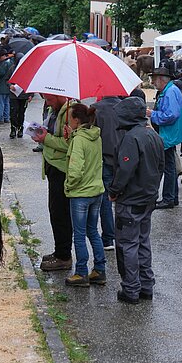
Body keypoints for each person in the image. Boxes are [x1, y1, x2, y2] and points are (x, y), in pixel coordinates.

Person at [109, 96, 164, 304]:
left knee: (128, 245)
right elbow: (160, 167)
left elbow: (125, 170)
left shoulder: (131, 138)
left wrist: (114, 190)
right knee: (142, 242)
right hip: (148, 198)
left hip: (131, 200)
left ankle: (131, 289)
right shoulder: (153, 135)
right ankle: (146, 286)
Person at [31, 94, 78, 272]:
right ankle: (60, 251)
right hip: (53, 167)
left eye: (49, 98)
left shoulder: (70, 113)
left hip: (62, 169)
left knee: (61, 213)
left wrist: (46, 139)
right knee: (55, 211)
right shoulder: (54, 109)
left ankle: (64, 256)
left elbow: (70, 144)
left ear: (59, 94)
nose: (46, 101)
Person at [63, 104, 107, 287]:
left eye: (69, 117)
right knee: (93, 232)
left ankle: (81, 272)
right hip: (96, 190)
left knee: (79, 235)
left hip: (81, 193)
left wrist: (68, 185)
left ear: (76, 120)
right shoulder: (95, 136)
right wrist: (70, 139)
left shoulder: (80, 139)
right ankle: (99, 269)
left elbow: (75, 169)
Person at [148, 67, 182, 209]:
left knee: (168, 167)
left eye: (154, 78)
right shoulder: (169, 90)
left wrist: (152, 114)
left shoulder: (170, 92)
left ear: (161, 79)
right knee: (169, 166)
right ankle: (172, 197)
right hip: (170, 133)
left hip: (169, 134)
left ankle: (168, 198)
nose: (152, 82)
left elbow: (171, 115)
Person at [93, 92, 128, 251]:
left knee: (106, 199)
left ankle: (108, 237)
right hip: (124, 158)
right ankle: (124, 235)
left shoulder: (96, 109)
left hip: (104, 157)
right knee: (123, 197)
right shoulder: (125, 108)